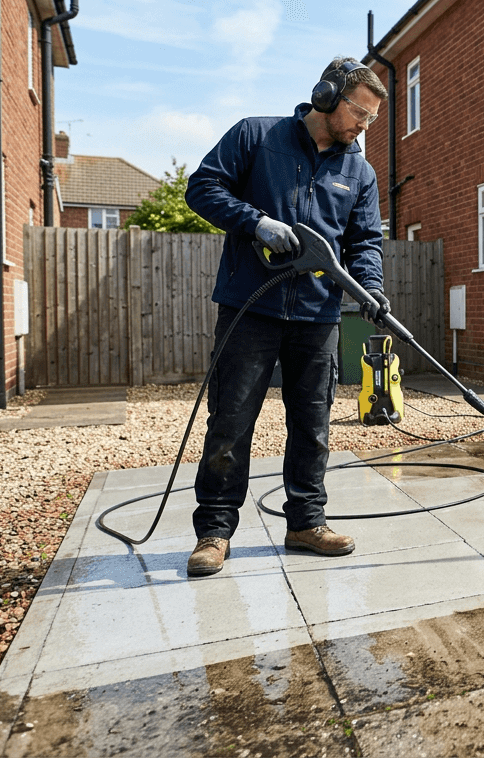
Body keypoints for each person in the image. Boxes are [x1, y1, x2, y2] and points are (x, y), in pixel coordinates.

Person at [182, 56, 391, 577]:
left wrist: (369, 288)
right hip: (250, 307)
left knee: (313, 423)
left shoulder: (358, 171)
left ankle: (305, 522)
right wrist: (255, 223)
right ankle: (214, 530)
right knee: (230, 421)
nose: (363, 128)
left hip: (318, 316)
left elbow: (365, 240)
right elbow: (202, 188)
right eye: (359, 114)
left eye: (371, 120)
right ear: (326, 96)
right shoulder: (257, 136)